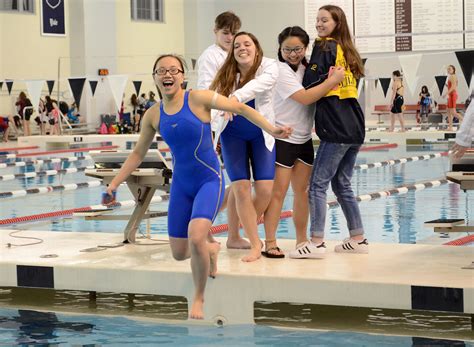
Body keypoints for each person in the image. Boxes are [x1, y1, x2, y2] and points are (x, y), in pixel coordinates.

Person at [105, 54, 291, 320]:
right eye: (161, 71)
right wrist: (114, 184)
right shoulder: (153, 115)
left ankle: (199, 297)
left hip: (208, 179)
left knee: (196, 235)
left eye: (173, 70)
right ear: (155, 77)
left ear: (182, 75)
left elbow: (241, 108)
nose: (167, 75)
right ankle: (211, 249)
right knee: (180, 253)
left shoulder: (199, 98)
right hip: (181, 184)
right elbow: (137, 154)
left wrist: (271, 130)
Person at [290, 4, 368, 259]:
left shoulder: (324, 46)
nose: (319, 24)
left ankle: (317, 242)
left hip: (335, 126)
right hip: (355, 125)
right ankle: (358, 238)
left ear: (337, 22)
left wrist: (308, 67)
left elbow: (308, 85)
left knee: (316, 185)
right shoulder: (349, 50)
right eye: (318, 20)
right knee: (341, 183)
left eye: (325, 20)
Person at [262, 26, 345, 258]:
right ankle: (270, 242)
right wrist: (333, 80)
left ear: (305, 48)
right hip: (283, 139)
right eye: (287, 49)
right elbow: (306, 98)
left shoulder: (308, 69)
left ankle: (301, 241)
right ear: (279, 49)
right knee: (277, 193)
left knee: (303, 192)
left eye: (297, 49)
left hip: (304, 139)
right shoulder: (279, 70)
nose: (292, 54)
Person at [210, 32, 280, 262]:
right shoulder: (225, 74)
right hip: (232, 136)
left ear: (256, 48)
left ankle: (237, 231)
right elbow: (211, 103)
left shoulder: (269, 66)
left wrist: (234, 98)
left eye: (247, 44)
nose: (242, 48)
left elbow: (262, 85)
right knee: (240, 188)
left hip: (261, 134)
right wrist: (218, 115)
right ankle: (253, 243)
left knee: (264, 191)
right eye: (237, 45)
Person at [196, 11, 246, 249]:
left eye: (234, 33)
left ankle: (230, 234)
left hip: (235, 123)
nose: (230, 37)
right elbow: (206, 91)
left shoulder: (237, 54)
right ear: (215, 31)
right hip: (217, 125)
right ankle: (203, 227)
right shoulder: (210, 56)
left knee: (239, 183)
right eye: (226, 33)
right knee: (224, 183)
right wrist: (223, 107)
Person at [443, 65, 464, 131]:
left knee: (453, 112)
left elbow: (453, 87)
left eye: (449, 69)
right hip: (450, 95)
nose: (448, 70)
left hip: (452, 95)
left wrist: (446, 93)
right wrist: (446, 84)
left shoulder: (453, 76)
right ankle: (450, 127)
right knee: (448, 111)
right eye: (448, 69)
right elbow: (451, 86)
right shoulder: (451, 77)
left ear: (453, 70)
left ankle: (465, 122)